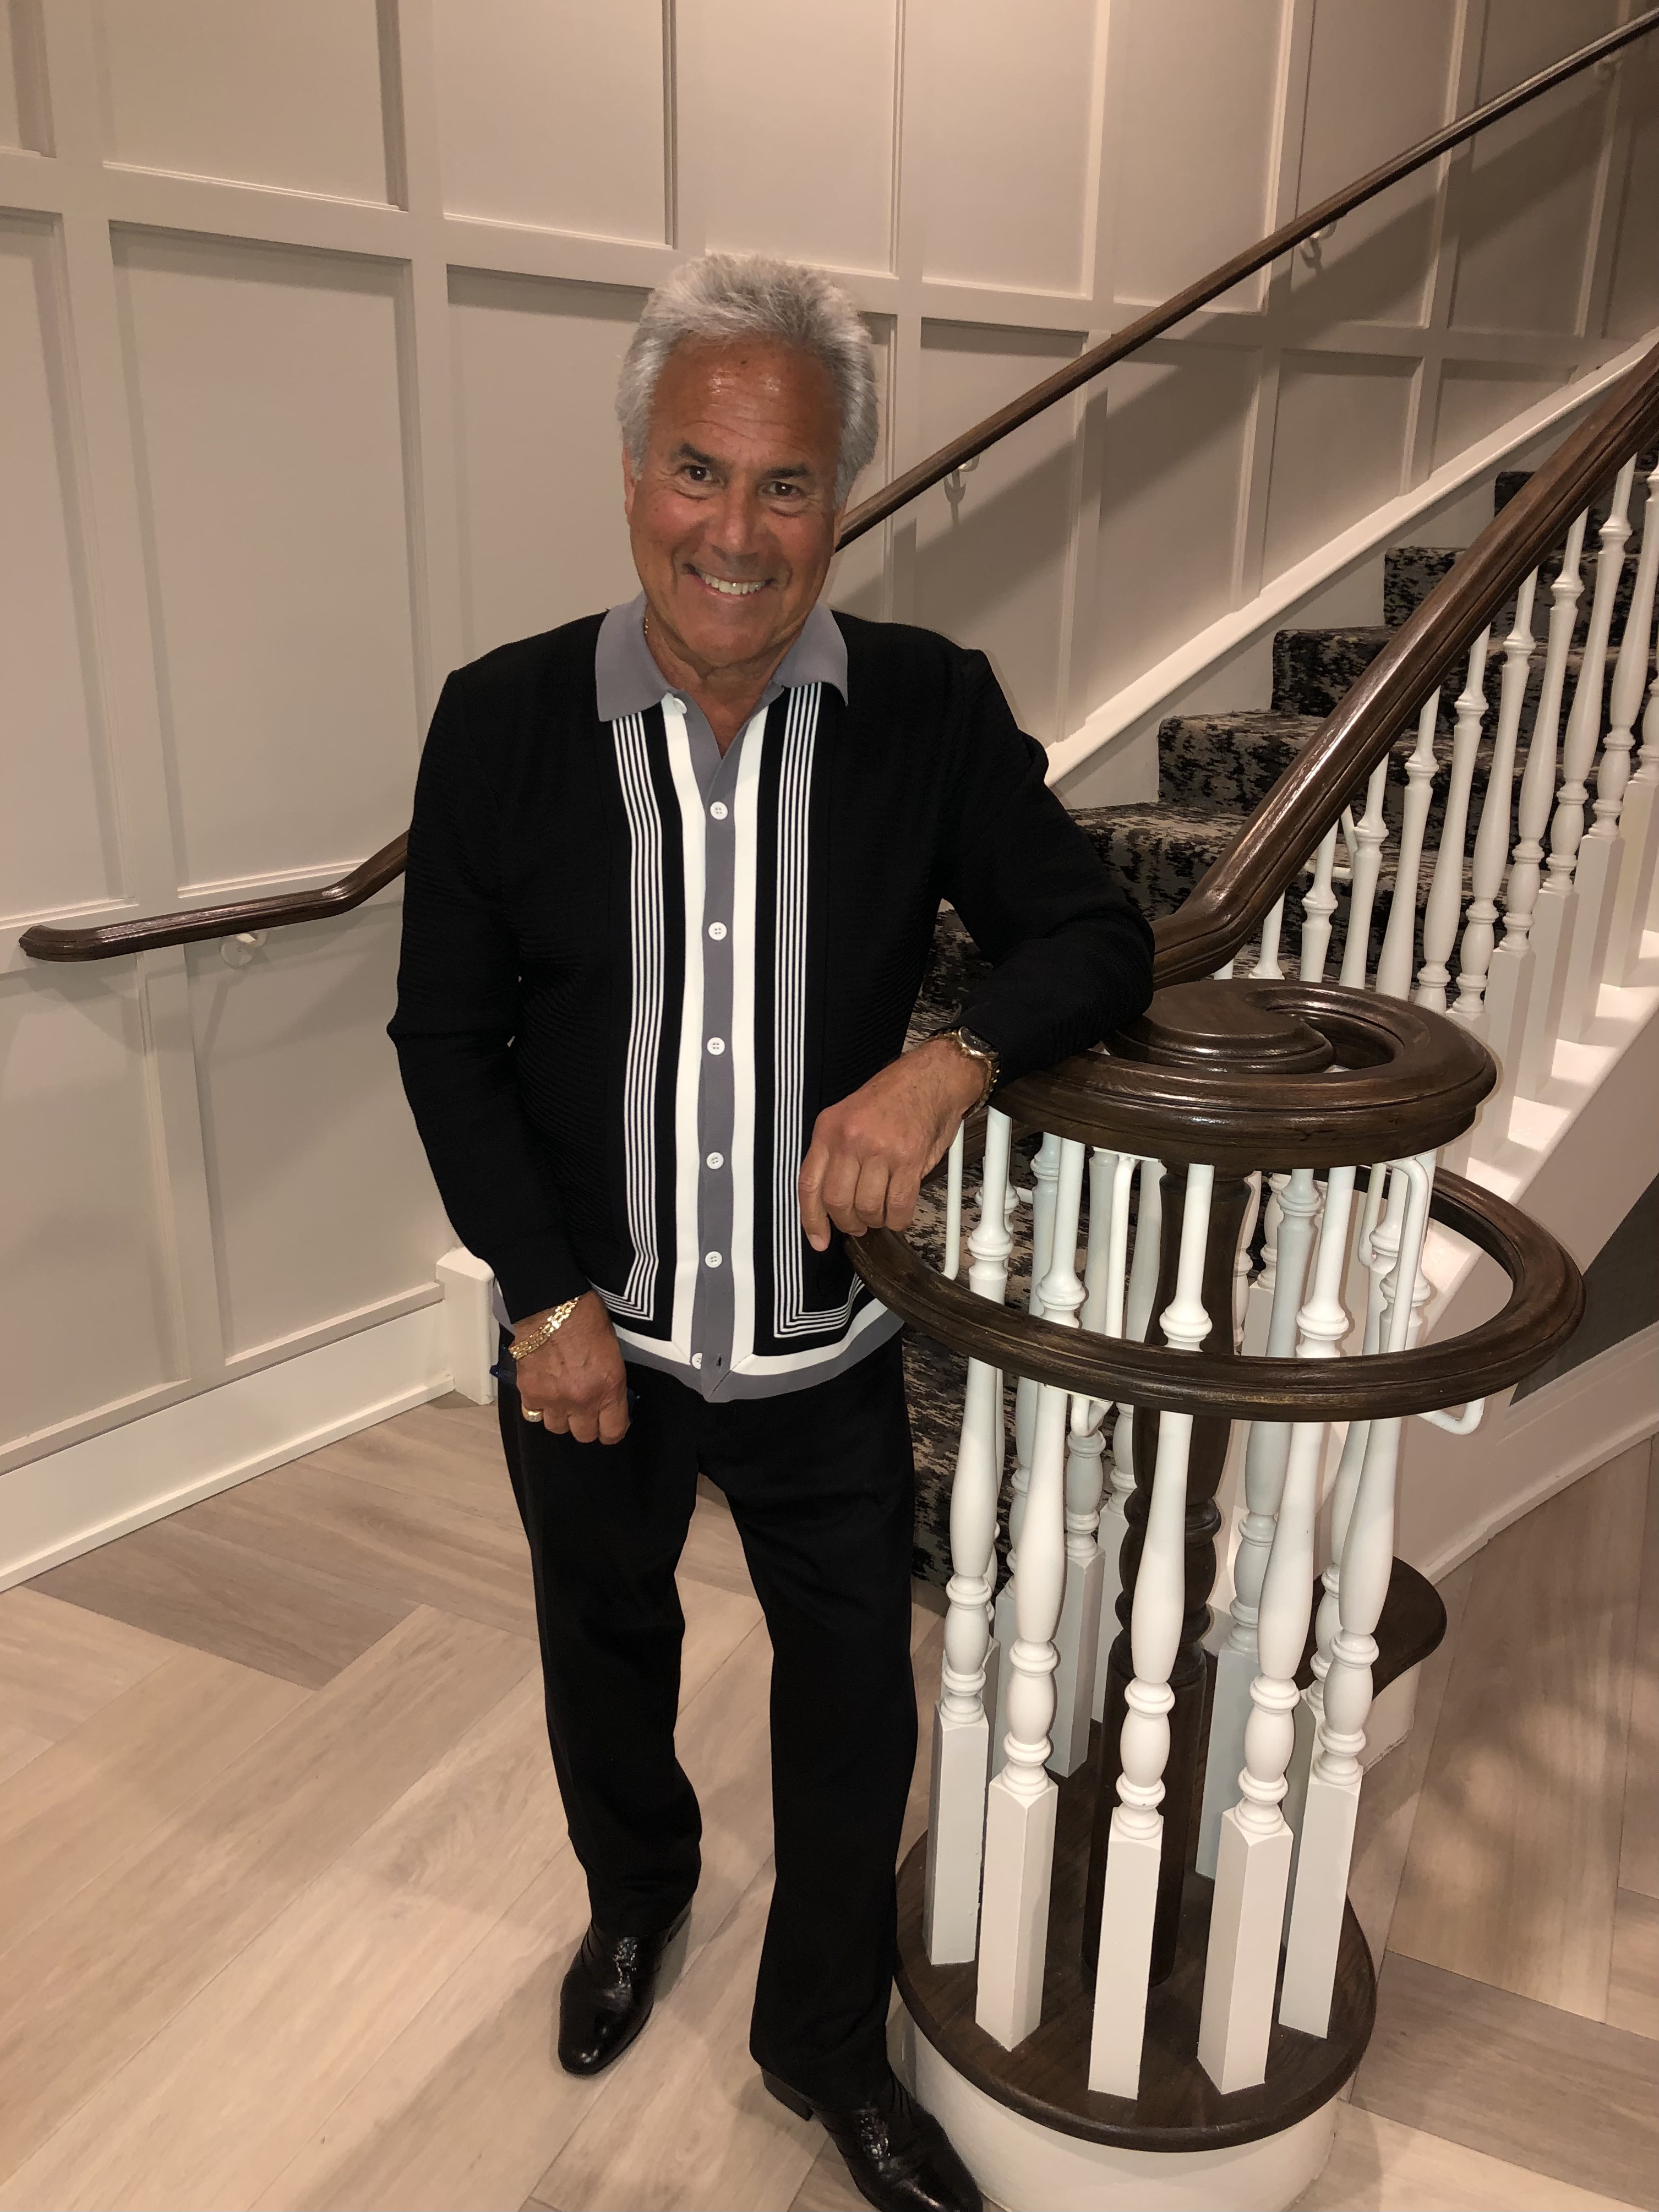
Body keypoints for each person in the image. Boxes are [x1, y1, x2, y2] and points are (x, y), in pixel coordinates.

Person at [389, 251, 1153, 2212]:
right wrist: (542, 1298)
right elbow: (446, 1038)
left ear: (842, 499)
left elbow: (1098, 931)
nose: (736, 530)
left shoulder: (928, 711)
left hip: (828, 1353)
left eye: (787, 482)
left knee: (851, 1709)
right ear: (633, 473)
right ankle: (636, 1894)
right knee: (603, 1649)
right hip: (594, 1341)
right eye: (698, 470)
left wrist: (951, 1063)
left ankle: (821, 2034)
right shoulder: (501, 723)